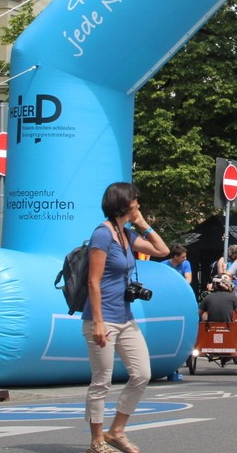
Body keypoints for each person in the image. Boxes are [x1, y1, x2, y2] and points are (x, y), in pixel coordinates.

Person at [83, 182, 169, 453]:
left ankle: (116, 430)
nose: (139, 204)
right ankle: (97, 441)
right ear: (124, 203)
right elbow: (92, 282)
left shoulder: (126, 235)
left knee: (142, 373)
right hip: (103, 318)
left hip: (125, 316)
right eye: (136, 201)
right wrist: (97, 322)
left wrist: (143, 223)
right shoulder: (103, 234)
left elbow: (163, 251)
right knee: (102, 379)